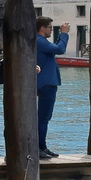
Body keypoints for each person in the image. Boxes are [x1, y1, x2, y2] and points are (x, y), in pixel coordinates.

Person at [34, 16, 69, 160]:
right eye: (49, 27)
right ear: (42, 28)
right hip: (46, 84)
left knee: (43, 118)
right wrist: (64, 33)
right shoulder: (39, 41)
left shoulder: (39, 41)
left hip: (42, 82)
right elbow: (60, 49)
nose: (51, 30)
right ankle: (39, 147)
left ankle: (42, 146)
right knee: (43, 118)